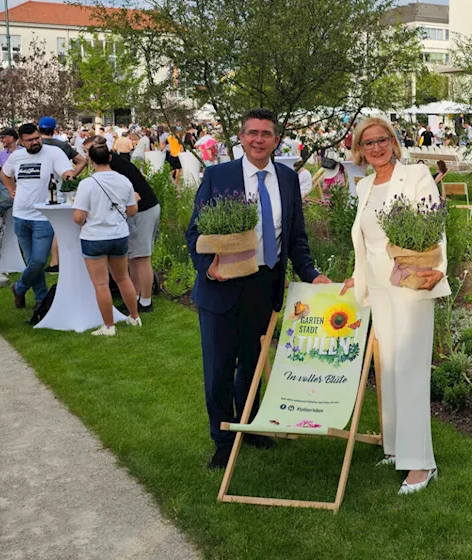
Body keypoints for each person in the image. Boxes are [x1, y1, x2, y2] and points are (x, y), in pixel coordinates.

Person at [186, 108, 331, 471]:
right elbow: (195, 232)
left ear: (276, 139)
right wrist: (210, 267)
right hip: (222, 285)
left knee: (252, 363)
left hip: (264, 287)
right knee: (219, 367)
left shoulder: (287, 178)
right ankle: (222, 438)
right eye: (252, 133)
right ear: (241, 136)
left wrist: (312, 274)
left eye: (266, 134)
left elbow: (295, 238)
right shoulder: (219, 176)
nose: (258, 140)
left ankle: (248, 426)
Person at [340, 117, 448, 495]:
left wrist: (437, 269)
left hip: (411, 281)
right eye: (367, 143)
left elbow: (434, 228)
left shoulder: (416, 175)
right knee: (388, 369)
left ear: (393, 142)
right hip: (380, 290)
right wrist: (357, 276)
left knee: (410, 367)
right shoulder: (364, 185)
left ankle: (421, 464)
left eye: (382, 140)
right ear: (359, 150)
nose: (376, 147)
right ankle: (396, 448)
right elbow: (364, 241)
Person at [1, 123, 77, 311]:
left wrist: (70, 180)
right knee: (31, 260)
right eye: (30, 140)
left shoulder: (53, 153)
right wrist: (11, 190)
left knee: (39, 260)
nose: (35, 142)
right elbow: (5, 174)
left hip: (44, 216)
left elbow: (67, 172)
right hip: (20, 214)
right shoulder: (17, 156)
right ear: (21, 141)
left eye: (37, 138)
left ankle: (19, 288)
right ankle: (41, 300)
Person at [72, 143, 142, 337]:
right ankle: (135, 316)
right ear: (110, 158)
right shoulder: (124, 181)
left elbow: (78, 217)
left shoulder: (87, 184)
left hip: (94, 237)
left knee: (101, 284)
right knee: (123, 278)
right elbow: (132, 211)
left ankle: (109, 326)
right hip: (119, 235)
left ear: (91, 161)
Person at [91, 137, 160, 312]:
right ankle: (135, 297)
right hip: (140, 210)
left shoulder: (115, 168)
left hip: (143, 210)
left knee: (142, 257)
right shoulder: (114, 164)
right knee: (135, 257)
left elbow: (130, 195)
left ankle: (145, 301)